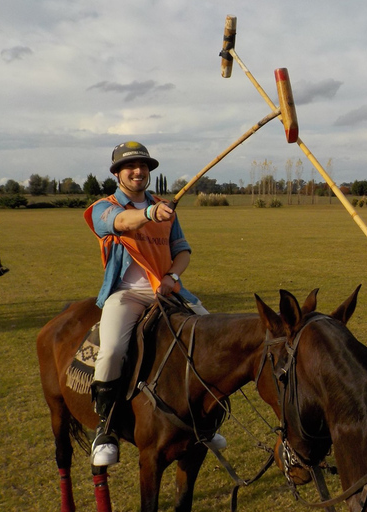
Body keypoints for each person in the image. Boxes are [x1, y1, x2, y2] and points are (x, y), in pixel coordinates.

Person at [85, 141, 225, 467]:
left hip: (169, 292)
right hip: (127, 294)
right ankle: (104, 430)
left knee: (214, 341)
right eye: (131, 166)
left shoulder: (165, 209)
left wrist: (173, 278)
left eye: (144, 166)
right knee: (112, 352)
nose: (138, 171)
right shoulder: (102, 208)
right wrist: (149, 213)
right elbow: (120, 223)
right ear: (117, 172)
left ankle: (207, 424)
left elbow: (183, 251)